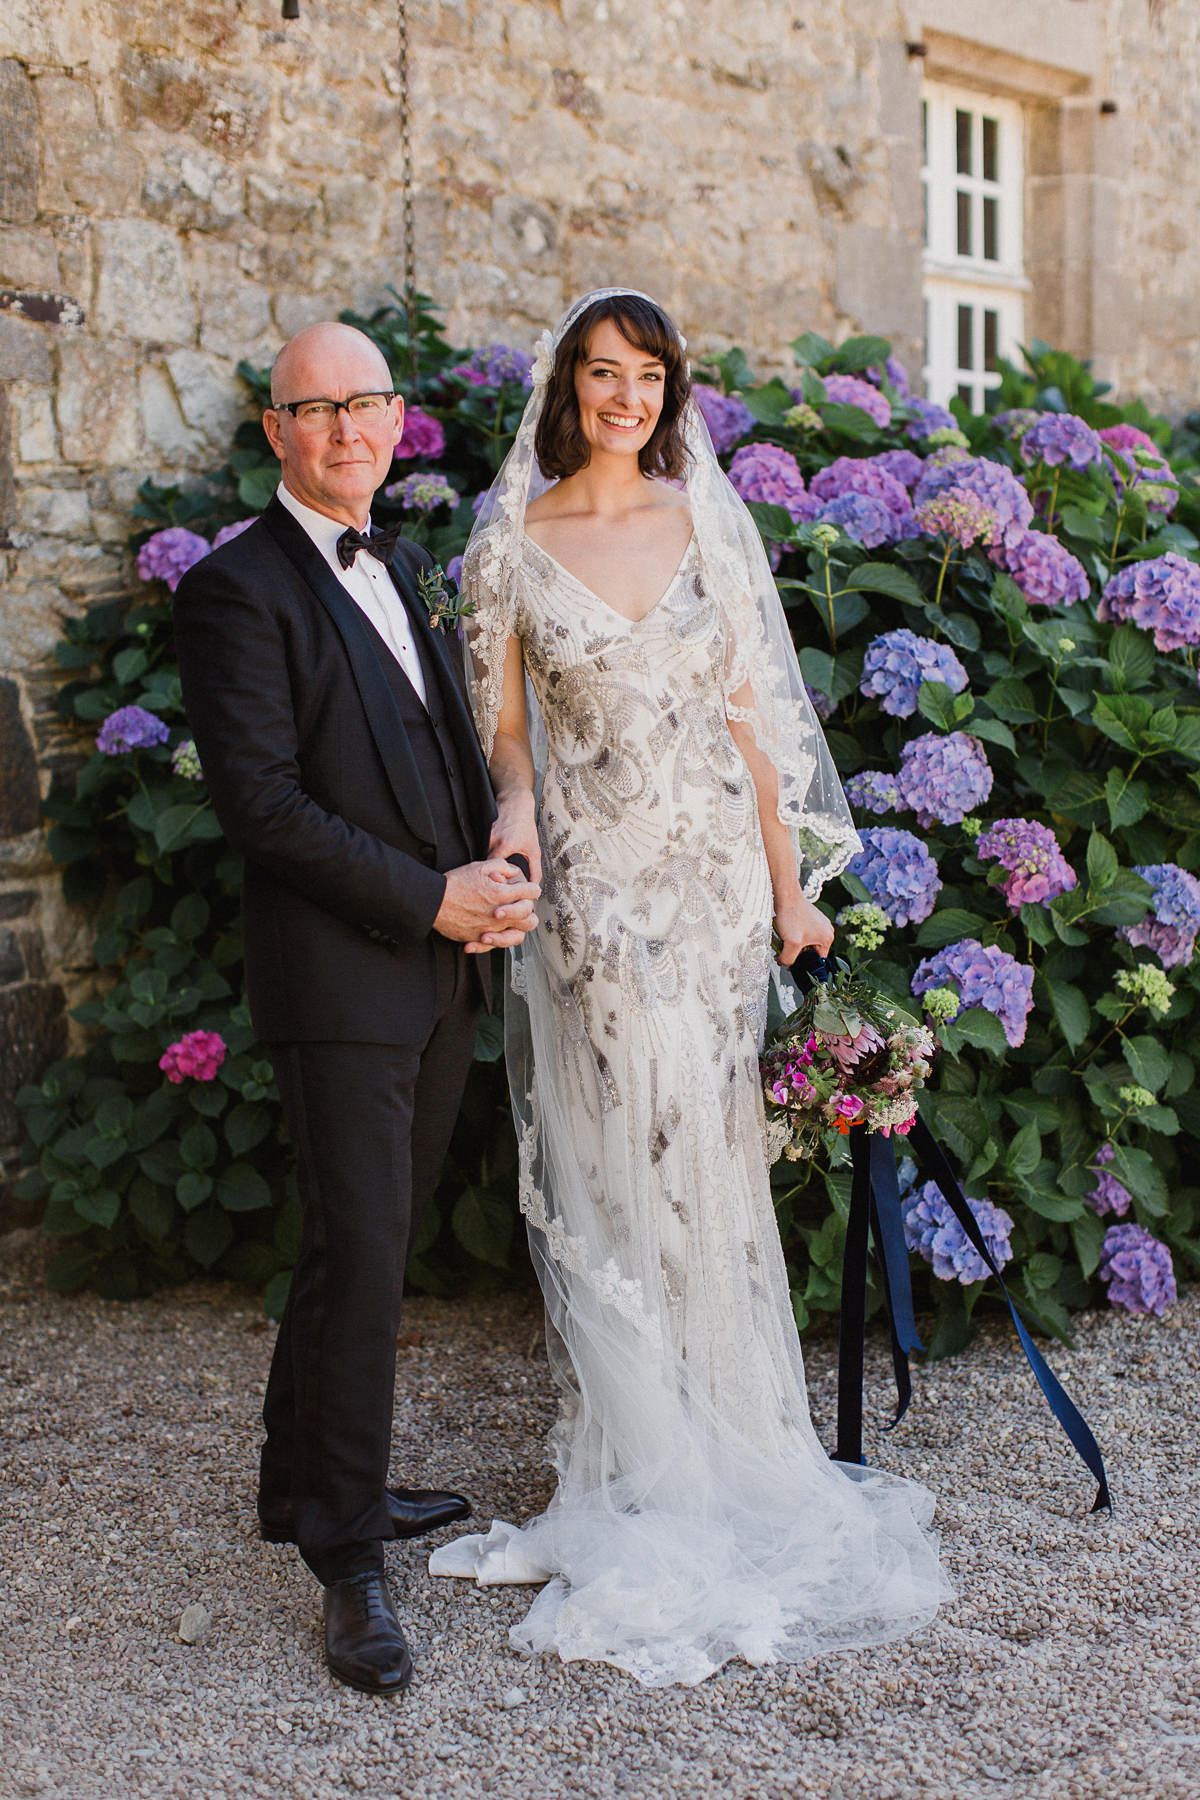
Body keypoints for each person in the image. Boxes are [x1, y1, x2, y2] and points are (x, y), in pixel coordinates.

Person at [429, 289, 949, 1685]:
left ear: (670, 390)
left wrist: (789, 894)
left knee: (704, 1157)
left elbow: (756, 727)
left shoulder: (709, 525)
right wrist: (516, 822)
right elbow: (507, 741)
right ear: (566, 390)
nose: (622, 396)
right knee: (615, 1156)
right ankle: (639, 1455)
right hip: (596, 897)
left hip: (714, 893)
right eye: (599, 373)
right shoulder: (510, 546)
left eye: (644, 375)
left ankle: (724, 1440)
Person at [172, 321, 539, 1696]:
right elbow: (265, 810)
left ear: (398, 421)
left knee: (353, 1245)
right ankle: (348, 1560)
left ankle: (294, 1487)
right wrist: (428, 898)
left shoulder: (407, 563)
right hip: (340, 980)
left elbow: (442, 748)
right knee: (369, 1251)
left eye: (367, 405)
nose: (346, 432)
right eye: (315, 410)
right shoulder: (234, 590)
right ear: (277, 430)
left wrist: (494, 869)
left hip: (440, 966)